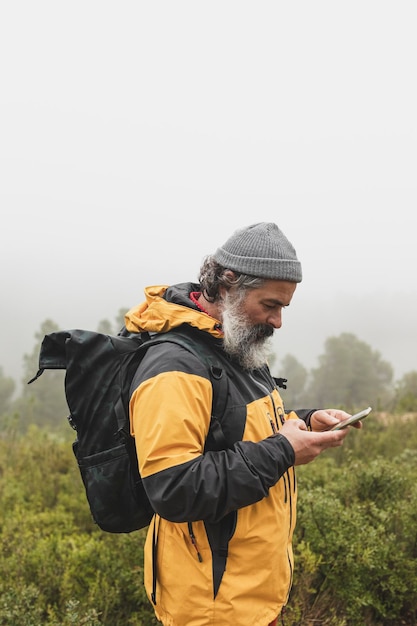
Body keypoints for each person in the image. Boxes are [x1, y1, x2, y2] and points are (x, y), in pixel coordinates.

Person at [126, 222, 360, 626]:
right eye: (270, 305)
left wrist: (304, 420)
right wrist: (283, 450)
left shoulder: (233, 344)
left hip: (250, 596)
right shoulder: (175, 366)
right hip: (211, 607)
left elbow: (236, 426)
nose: (278, 321)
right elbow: (173, 488)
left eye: (283, 307)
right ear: (228, 284)